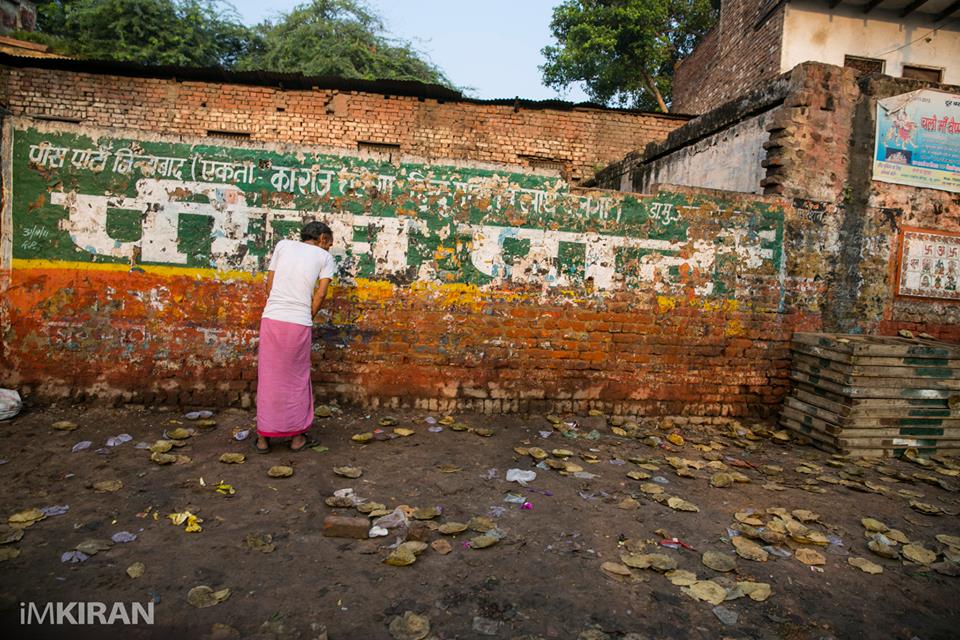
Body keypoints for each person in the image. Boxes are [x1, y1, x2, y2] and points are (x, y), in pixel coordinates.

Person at [255, 221, 336, 453]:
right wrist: (306, 314)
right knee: (296, 378)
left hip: (271, 318)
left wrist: (278, 306)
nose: (328, 248)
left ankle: (263, 438)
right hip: (298, 322)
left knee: (269, 378)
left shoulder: (282, 246)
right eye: (328, 243)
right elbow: (320, 294)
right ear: (321, 238)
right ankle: (297, 438)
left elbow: (269, 285)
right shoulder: (324, 257)